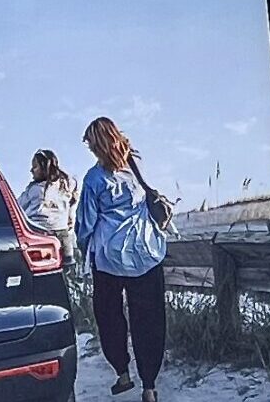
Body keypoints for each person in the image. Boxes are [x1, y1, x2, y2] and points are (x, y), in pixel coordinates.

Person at [76, 117, 169, 402]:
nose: (91, 150)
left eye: (91, 144)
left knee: (109, 316)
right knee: (150, 319)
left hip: (109, 259)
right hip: (145, 253)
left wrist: (82, 251)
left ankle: (122, 372)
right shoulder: (136, 164)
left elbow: (85, 224)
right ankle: (149, 386)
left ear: (98, 143)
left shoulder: (93, 179)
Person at [18, 150, 78, 258]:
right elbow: (74, 196)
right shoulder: (67, 184)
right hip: (62, 232)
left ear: (45, 167)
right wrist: (70, 215)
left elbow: (17, 207)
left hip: (40, 233)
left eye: (35, 167)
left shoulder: (34, 189)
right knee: (67, 266)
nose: (31, 170)